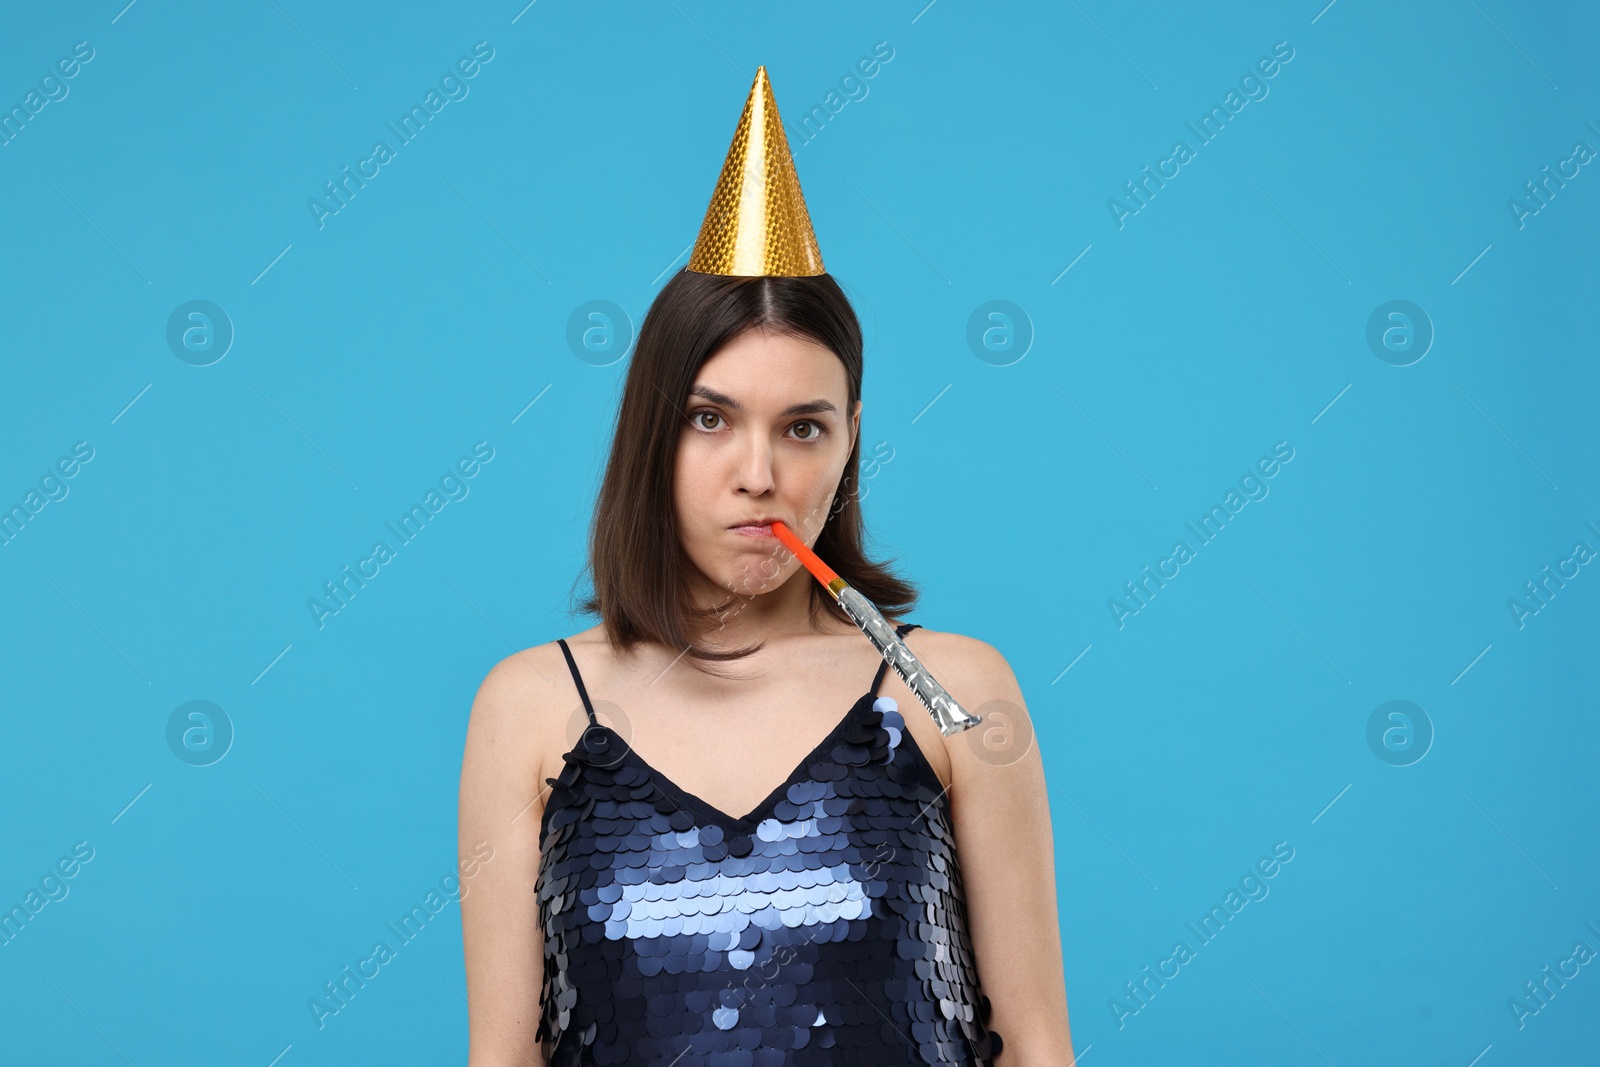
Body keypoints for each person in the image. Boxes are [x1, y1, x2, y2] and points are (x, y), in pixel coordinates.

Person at [458, 66, 1073, 1065]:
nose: (759, 473)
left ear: (850, 441)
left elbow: (1036, 1041)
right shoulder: (530, 707)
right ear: (651, 434)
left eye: (802, 426)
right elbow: (504, 1056)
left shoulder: (953, 693)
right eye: (711, 418)